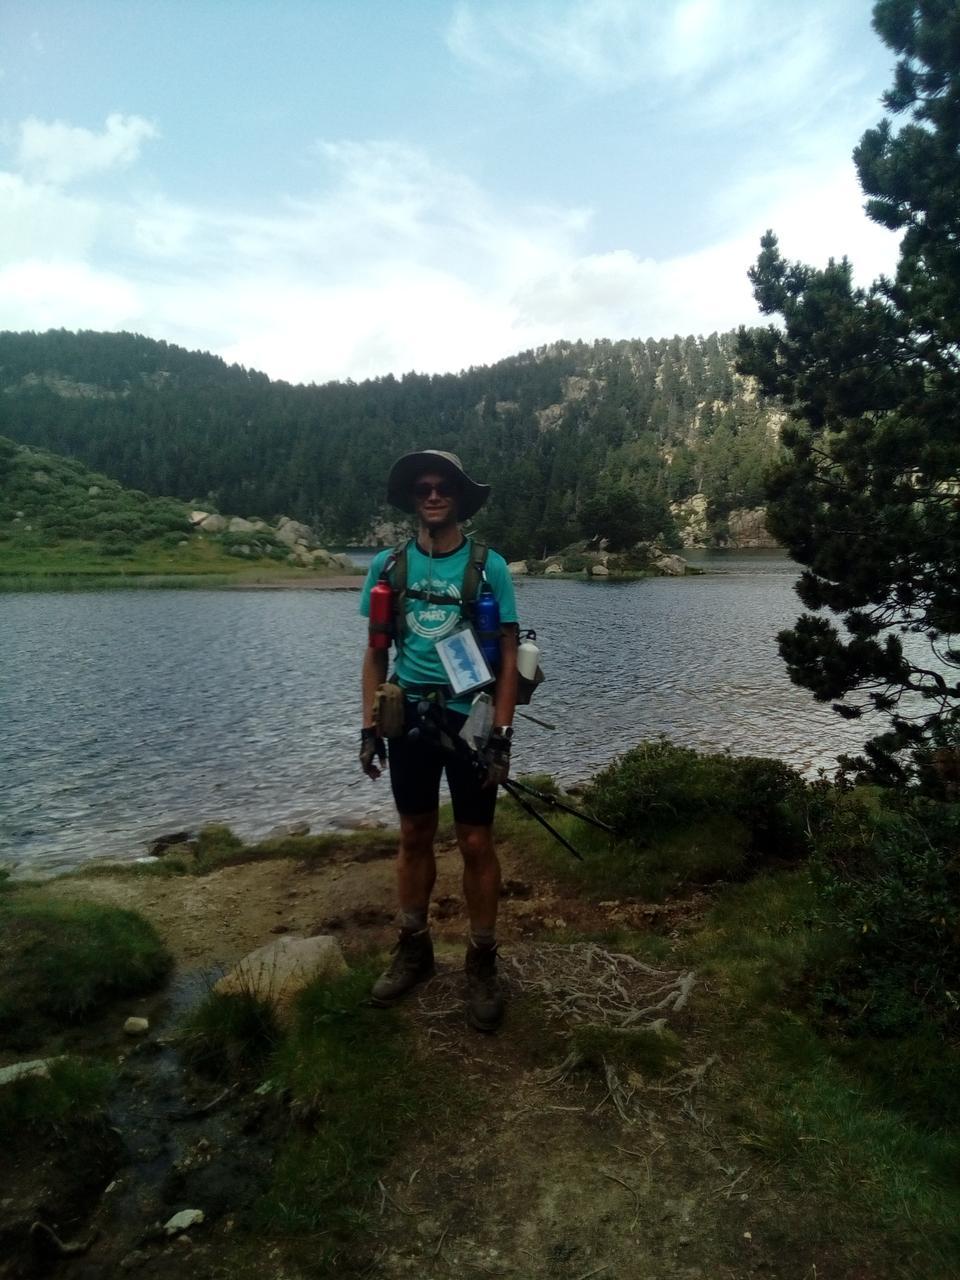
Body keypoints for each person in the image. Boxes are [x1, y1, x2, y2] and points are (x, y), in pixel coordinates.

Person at [359, 450, 518, 1031]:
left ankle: (482, 959)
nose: (432, 495)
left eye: (443, 486)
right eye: (423, 487)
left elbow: (507, 659)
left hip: (471, 717)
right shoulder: (388, 567)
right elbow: (375, 653)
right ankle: (414, 948)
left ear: (459, 496)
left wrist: (501, 736)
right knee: (413, 833)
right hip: (408, 716)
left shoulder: (489, 568)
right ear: (412, 498)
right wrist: (369, 728)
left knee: (475, 841)